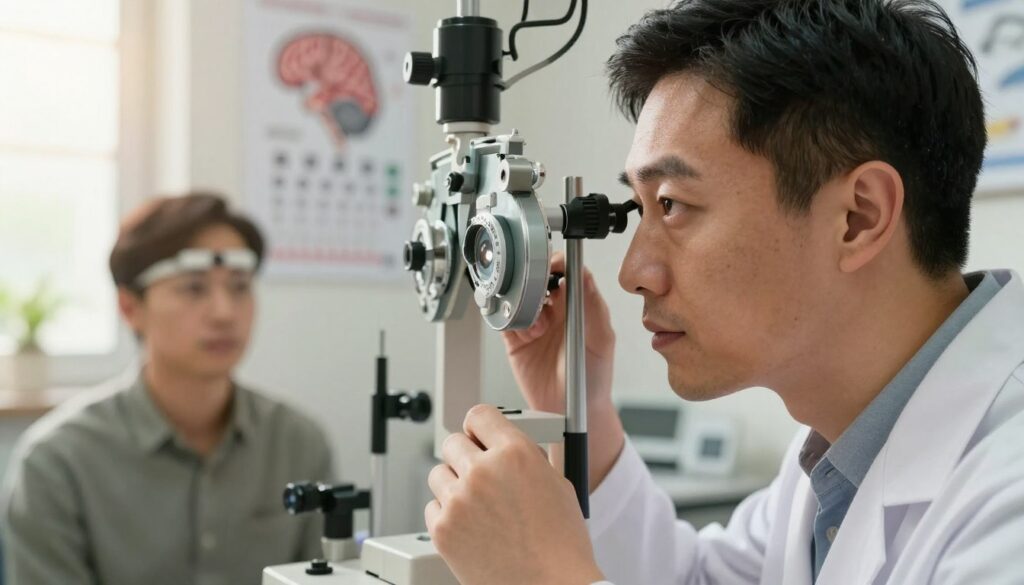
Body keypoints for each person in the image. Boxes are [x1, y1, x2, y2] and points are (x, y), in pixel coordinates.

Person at [420, 1, 1024, 584]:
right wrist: (583, 410)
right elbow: (693, 579)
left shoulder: (1006, 496)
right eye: (641, 207)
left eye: (673, 205)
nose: (634, 273)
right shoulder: (836, 451)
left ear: (858, 218)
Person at [1, 193, 334, 585]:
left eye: (240, 286)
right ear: (130, 308)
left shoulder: (298, 443)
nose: (224, 312)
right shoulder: (56, 464)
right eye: (194, 289)